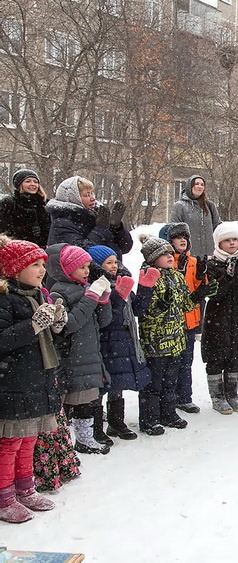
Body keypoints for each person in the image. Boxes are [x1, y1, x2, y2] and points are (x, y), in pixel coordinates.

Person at [0, 236, 60, 523]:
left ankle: (26, 488)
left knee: (29, 438)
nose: (41, 270)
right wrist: (33, 324)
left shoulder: (40, 294)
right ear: (15, 268)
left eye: (42, 265)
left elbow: (51, 338)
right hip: (14, 381)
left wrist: (58, 322)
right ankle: (4, 497)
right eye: (34, 265)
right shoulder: (5, 299)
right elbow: (2, 340)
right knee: (11, 441)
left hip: (39, 378)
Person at [136, 235, 216, 435]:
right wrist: (159, 305)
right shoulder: (148, 275)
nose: (170, 256)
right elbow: (143, 310)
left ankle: (168, 412)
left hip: (176, 339)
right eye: (164, 254)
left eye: (170, 253)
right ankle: (150, 419)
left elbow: (185, 305)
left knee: (170, 381)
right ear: (153, 258)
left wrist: (199, 294)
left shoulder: (177, 276)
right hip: (156, 341)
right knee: (153, 383)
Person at [46, 244, 113, 454]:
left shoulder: (85, 288)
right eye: (81, 267)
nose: (87, 271)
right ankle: (62, 445)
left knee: (86, 402)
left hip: (89, 354)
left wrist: (104, 300)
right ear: (66, 269)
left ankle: (85, 439)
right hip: (71, 357)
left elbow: (103, 322)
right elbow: (69, 325)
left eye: (87, 266)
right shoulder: (58, 291)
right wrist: (91, 297)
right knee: (68, 404)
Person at [88, 246, 152, 442]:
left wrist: (145, 288)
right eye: (108, 263)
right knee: (101, 387)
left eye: (115, 262)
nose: (114, 266)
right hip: (105, 343)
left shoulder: (121, 282)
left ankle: (116, 423)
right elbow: (105, 320)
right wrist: (116, 296)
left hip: (123, 342)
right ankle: (95, 428)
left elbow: (137, 310)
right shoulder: (95, 287)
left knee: (118, 384)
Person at [202, 224, 238, 415]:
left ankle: (232, 394)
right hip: (217, 317)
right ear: (219, 243)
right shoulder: (212, 263)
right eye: (227, 240)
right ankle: (217, 397)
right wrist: (227, 275)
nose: (232, 243)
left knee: (235, 355)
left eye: (234, 240)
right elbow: (215, 294)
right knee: (217, 355)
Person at [158, 223, 205, 414]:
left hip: (190, 320)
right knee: (171, 363)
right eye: (178, 237)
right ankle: (168, 398)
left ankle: (185, 397)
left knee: (187, 361)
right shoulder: (166, 262)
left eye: (185, 237)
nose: (183, 240)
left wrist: (203, 276)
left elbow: (201, 290)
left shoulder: (193, 262)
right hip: (172, 322)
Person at [46, 176, 132, 257]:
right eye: (86, 195)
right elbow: (80, 255)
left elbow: (125, 248)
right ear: (74, 199)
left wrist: (116, 227)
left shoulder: (97, 216)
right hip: (89, 272)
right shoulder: (62, 223)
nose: (93, 198)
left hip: (112, 271)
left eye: (92, 193)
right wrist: (100, 229)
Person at [170, 175, 221, 260]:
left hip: (209, 255)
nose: (199, 186)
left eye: (202, 184)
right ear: (190, 186)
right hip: (188, 257)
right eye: (196, 184)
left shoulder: (209, 205)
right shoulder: (179, 206)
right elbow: (174, 231)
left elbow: (218, 227)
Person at [0, 169, 51, 247]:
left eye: (35, 182)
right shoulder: (9, 203)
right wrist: (27, 230)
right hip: (17, 249)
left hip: (42, 250)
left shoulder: (45, 203)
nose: (33, 184)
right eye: (28, 181)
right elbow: (4, 230)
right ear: (19, 184)